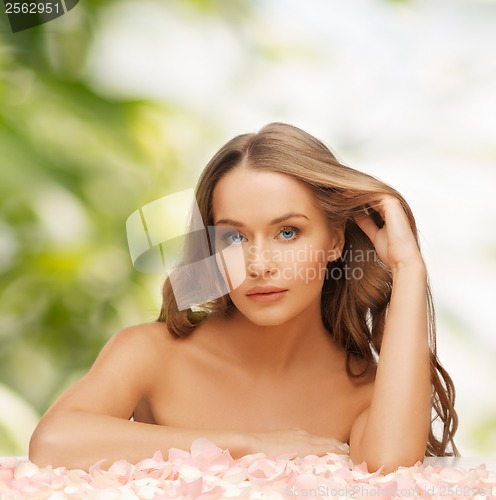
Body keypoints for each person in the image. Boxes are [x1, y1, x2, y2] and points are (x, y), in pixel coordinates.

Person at [29, 122, 459, 474]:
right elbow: (52, 442)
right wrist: (249, 444)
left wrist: (408, 267)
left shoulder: (365, 392)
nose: (258, 264)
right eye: (234, 236)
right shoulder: (151, 353)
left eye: (287, 232)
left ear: (334, 240)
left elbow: (389, 468)